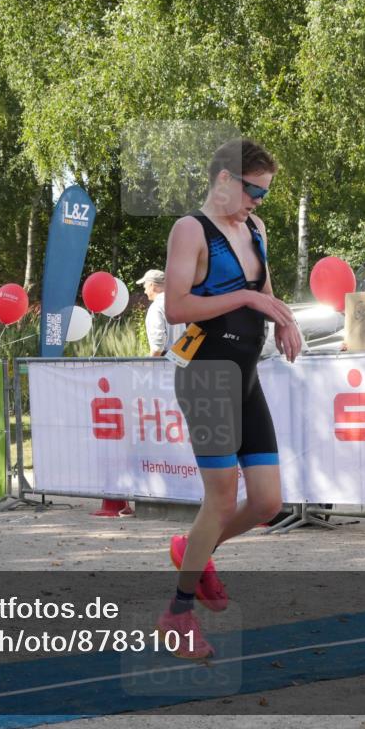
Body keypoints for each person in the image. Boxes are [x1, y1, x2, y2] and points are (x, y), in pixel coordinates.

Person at [158, 139, 302, 659]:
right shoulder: (191, 229)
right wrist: (246, 297)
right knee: (220, 500)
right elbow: (176, 306)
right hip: (205, 374)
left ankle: (193, 550)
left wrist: (282, 319)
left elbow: (265, 291)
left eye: (264, 195)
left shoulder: (256, 230)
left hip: (245, 375)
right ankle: (177, 614)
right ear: (225, 180)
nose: (258, 204)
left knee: (267, 501)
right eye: (254, 192)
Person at [137, 269, 186, 356]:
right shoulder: (177, 304)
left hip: (163, 363)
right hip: (179, 360)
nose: (145, 291)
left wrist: (150, 365)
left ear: (152, 285)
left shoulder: (156, 308)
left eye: (145, 287)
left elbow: (158, 346)